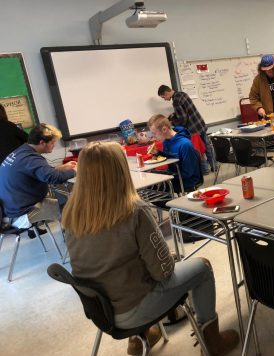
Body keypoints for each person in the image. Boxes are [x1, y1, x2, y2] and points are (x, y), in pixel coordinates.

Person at [62, 141, 239, 356]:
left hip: (101, 310)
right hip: (135, 308)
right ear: (121, 170)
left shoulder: (72, 215)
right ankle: (213, 342)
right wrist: (167, 257)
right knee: (202, 268)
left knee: (130, 270)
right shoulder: (133, 211)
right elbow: (163, 272)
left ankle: (138, 341)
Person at [0, 124, 76, 230]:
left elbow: (41, 171)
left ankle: (70, 232)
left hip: (12, 208)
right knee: (72, 205)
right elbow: (54, 178)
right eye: (53, 142)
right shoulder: (31, 159)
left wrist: (63, 167)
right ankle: (75, 238)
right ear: (42, 143)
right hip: (23, 213)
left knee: (64, 195)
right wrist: (75, 171)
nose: (54, 145)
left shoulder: (22, 151)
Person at [157, 85, 216, 175]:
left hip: (193, 129)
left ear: (166, 93)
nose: (164, 99)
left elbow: (183, 119)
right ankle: (214, 167)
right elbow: (185, 111)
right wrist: (174, 115)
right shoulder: (181, 94)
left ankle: (205, 170)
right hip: (199, 124)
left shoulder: (176, 101)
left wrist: (171, 123)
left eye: (163, 97)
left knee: (199, 150)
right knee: (207, 147)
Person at [148, 114, 201, 193]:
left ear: (164, 129)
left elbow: (188, 173)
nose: (153, 137)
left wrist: (166, 176)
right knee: (150, 183)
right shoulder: (166, 141)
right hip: (175, 175)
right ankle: (167, 204)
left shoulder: (185, 144)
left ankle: (168, 205)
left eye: (154, 133)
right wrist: (158, 153)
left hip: (187, 180)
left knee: (153, 188)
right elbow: (170, 158)